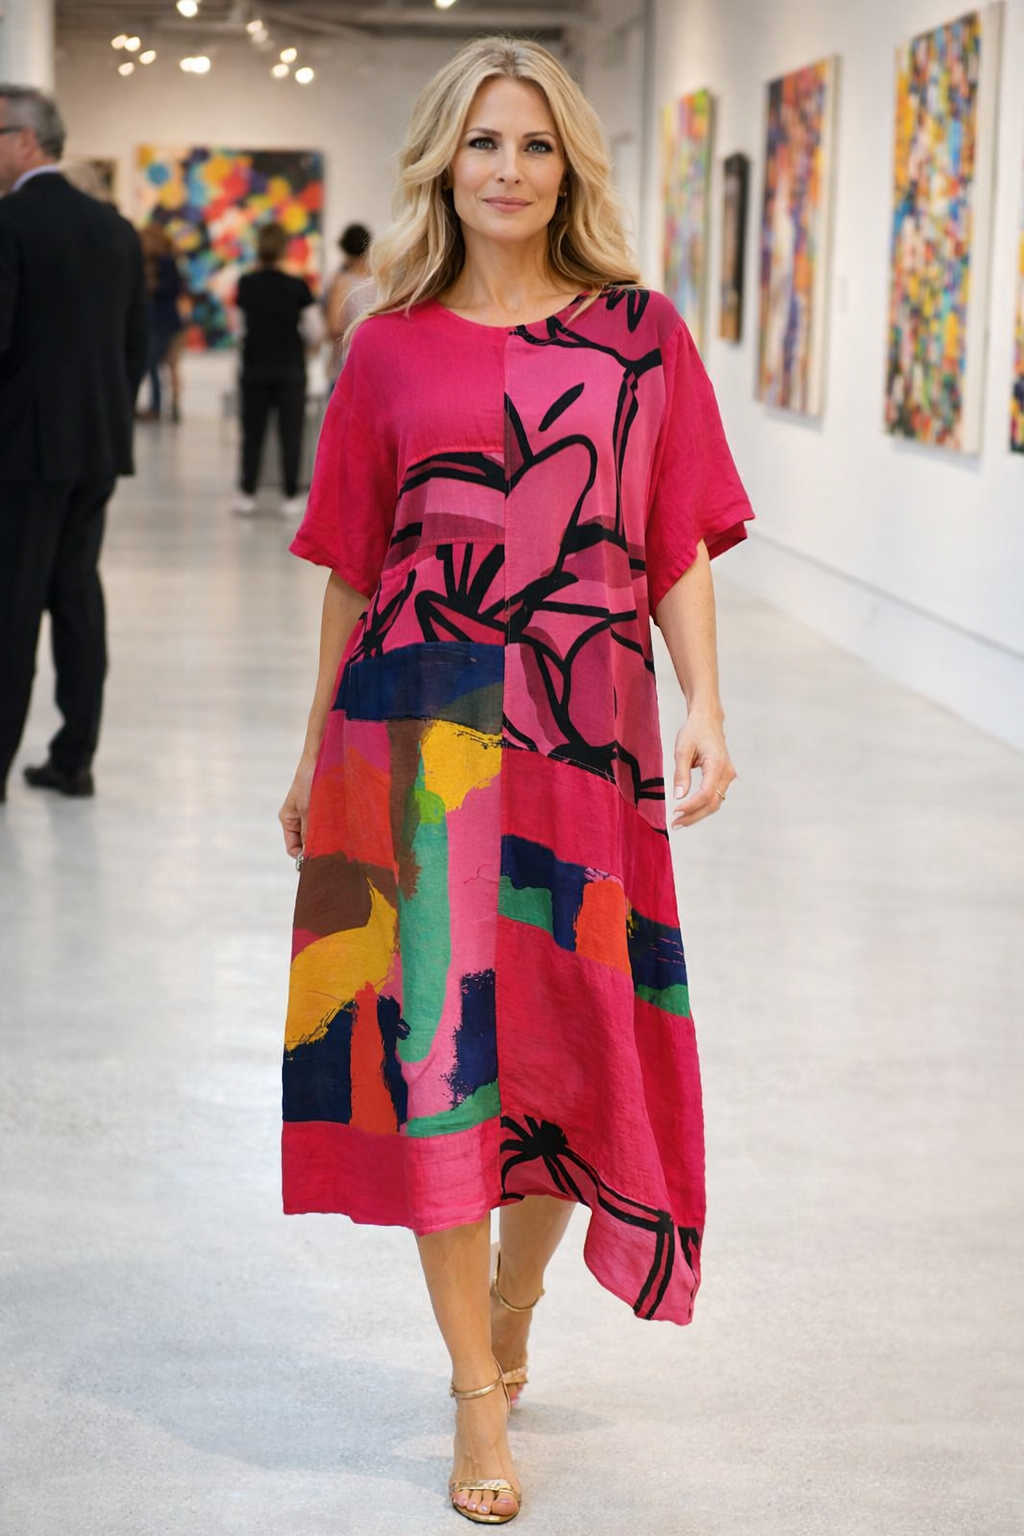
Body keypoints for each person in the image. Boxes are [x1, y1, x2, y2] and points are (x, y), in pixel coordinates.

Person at [277, 36, 754, 1525]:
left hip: (582, 730)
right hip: (412, 730)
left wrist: (706, 705)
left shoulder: (639, 334)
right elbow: (349, 561)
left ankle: (517, 1298)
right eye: (483, 142)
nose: (507, 169)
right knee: (437, 1054)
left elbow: (675, 536)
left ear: (570, 169)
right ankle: (475, 1394)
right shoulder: (386, 346)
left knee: (562, 1037)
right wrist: (306, 749)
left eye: (535, 144)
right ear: (443, 162)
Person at [0, 85, 146, 803]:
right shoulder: (114, 229)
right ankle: (73, 758)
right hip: (96, 447)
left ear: (27, 140)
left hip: (22, 452)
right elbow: (134, 346)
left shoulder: (10, 222)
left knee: (12, 604)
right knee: (77, 597)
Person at [233, 221, 317, 519]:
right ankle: (290, 495)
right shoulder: (298, 287)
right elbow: (315, 330)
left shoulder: (246, 284)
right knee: (290, 432)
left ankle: (247, 493)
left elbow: (239, 329)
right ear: (284, 249)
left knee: (252, 432)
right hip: (290, 368)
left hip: (255, 367)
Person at [137, 223, 185, 423]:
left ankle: (157, 406)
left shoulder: (164, 261)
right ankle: (166, 405)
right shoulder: (161, 261)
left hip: (162, 322)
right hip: (164, 321)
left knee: (153, 363)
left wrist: (153, 286)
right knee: (163, 365)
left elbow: (170, 289)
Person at [324, 221, 374, 387]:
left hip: (346, 362)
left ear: (344, 250)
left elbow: (334, 327)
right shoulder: (381, 280)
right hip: (375, 361)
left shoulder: (342, 282)